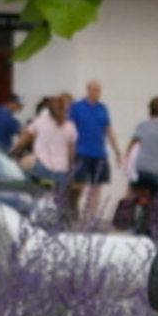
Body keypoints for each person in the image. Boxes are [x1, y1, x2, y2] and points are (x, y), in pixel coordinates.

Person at [123, 96, 158, 238]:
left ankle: (133, 220)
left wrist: (126, 160)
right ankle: (154, 230)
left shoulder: (142, 126)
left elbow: (132, 145)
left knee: (134, 194)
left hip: (141, 171)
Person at [66, 80, 116, 228]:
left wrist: (117, 151)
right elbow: (70, 130)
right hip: (82, 151)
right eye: (94, 90)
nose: (96, 93)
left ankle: (91, 217)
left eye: (98, 90)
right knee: (79, 184)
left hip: (98, 152)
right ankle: (72, 210)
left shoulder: (102, 109)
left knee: (97, 186)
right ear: (88, 90)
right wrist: (71, 152)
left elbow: (108, 129)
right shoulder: (77, 107)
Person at [18, 93, 75, 202]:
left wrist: (13, 151)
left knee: (22, 175)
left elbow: (24, 139)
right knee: (59, 199)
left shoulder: (41, 119)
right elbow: (71, 154)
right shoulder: (70, 125)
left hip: (40, 167)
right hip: (60, 172)